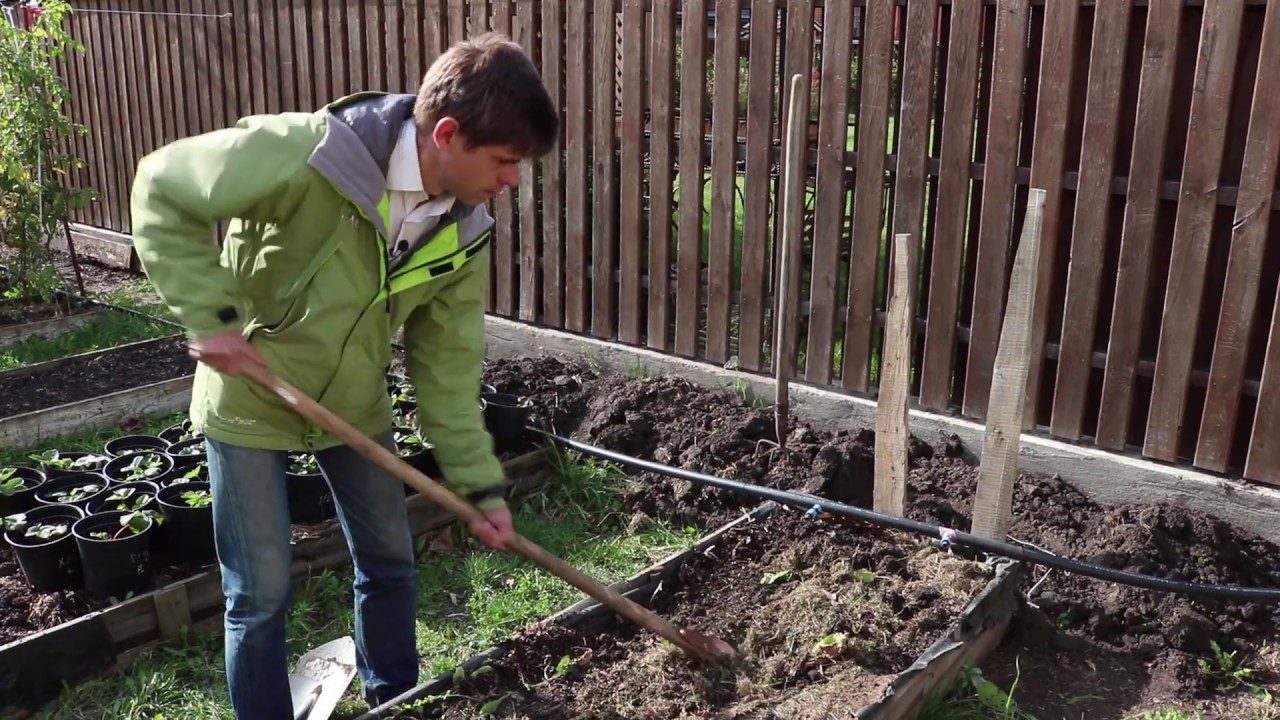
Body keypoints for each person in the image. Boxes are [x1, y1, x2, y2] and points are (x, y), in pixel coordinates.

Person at [129, 33, 558, 718]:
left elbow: (446, 366)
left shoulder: (463, 227)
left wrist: (479, 483)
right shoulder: (307, 154)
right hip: (251, 396)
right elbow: (162, 184)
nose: (512, 179)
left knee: (390, 561)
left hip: (354, 403)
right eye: (505, 161)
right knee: (260, 595)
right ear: (447, 134)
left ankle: (395, 697)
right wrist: (209, 316)